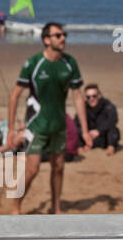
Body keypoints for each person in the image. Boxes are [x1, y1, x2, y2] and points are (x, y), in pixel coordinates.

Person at [8, 22, 91, 213]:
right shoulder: (33, 63)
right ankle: (16, 205)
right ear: (47, 40)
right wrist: (11, 130)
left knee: (59, 167)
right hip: (36, 124)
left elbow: (77, 96)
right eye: (58, 35)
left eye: (64, 35)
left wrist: (84, 131)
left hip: (58, 124)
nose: (63, 39)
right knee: (33, 169)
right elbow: (14, 95)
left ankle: (56, 207)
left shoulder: (70, 63)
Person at [81, 84, 120, 154]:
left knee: (113, 129)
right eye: (88, 97)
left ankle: (111, 148)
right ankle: (81, 148)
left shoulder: (107, 105)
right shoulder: (84, 107)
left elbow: (113, 119)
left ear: (99, 95)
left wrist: (99, 131)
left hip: (104, 137)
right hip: (89, 137)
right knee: (76, 130)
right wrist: (85, 133)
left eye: (94, 96)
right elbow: (77, 122)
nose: (91, 99)